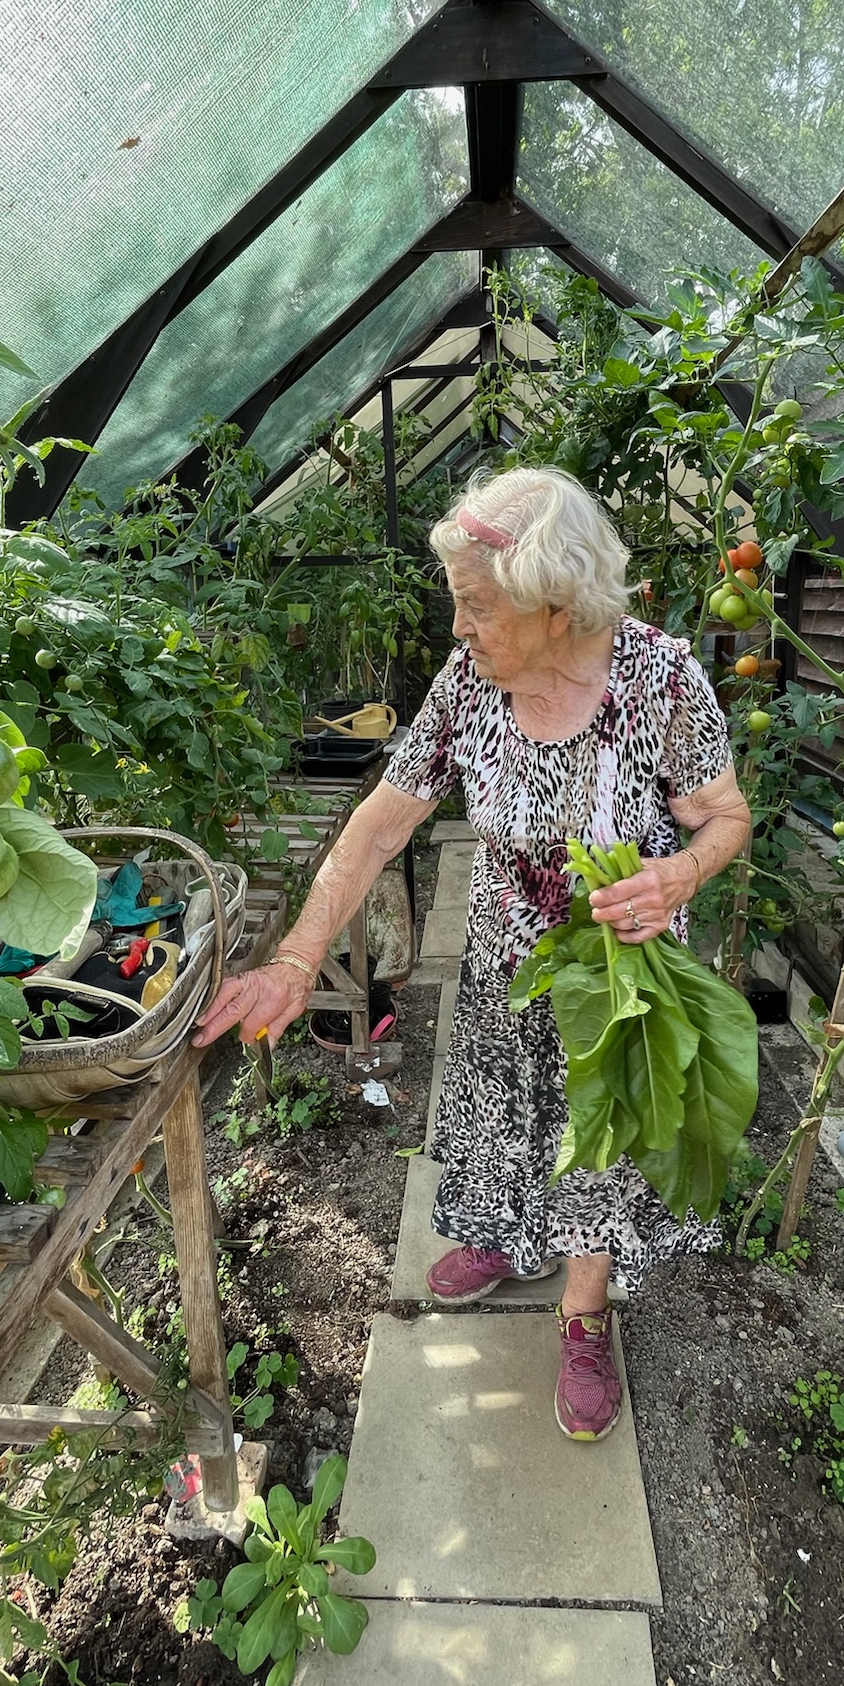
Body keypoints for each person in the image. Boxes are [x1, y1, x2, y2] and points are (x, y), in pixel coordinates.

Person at [194, 466, 751, 1442]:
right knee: (502, 1108)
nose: (461, 629)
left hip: (620, 969)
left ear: (554, 598)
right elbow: (374, 830)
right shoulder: (468, 690)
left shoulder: (662, 680)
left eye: (476, 605)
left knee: (599, 1134)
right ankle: (507, 1232)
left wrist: (681, 875)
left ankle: (583, 1309)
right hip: (509, 957)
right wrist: (294, 957)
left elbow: (727, 817)